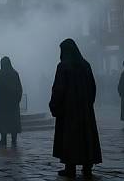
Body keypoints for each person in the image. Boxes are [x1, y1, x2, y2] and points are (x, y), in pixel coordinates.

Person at [49, 38, 102, 179]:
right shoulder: (85, 65)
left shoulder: (63, 66)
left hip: (68, 111)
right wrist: (88, 104)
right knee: (86, 137)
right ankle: (87, 167)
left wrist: (54, 105)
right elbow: (93, 87)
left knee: (69, 138)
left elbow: (59, 89)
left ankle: (70, 167)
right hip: (85, 110)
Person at [0, 56, 22, 147]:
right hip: (13, 103)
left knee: (3, 121)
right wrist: (17, 99)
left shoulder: (0, 74)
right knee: (13, 121)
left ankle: (3, 139)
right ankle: (14, 139)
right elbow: (19, 88)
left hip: (2, 103)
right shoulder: (15, 73)